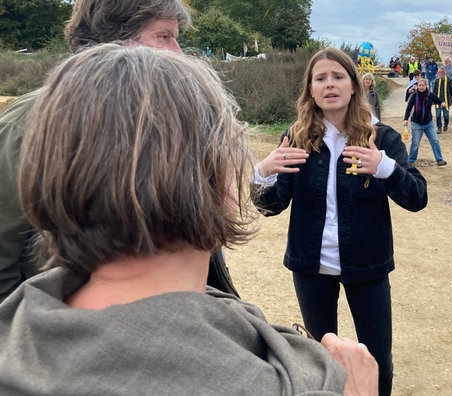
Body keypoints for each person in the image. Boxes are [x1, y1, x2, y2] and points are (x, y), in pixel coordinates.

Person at [0, 43, 378, 395]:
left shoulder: (21, 326)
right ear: (212, 180)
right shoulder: (288, 383)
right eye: (233, 148)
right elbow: (272, 204)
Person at [0, 0, 239, 302]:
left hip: (167, 318)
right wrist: (19, 334)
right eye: (164, 37)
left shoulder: (164, 114)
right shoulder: (32, 119)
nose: (178, 52)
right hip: (67, 329)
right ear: (116, 38)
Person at [252, 47, 428, 396]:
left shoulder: (383, 138)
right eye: (320, 78)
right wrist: (263, 174)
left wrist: (383, 167)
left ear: (353, 87)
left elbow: (417, 198)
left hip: (368, 266)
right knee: (320, 355)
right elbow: (272, 206)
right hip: (310, 267)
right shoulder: (297, 137)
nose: (329, 84)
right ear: (311, 90)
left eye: (338, 76)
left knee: (378, 359)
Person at [403, 77, 448, 166]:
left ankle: (439, 160)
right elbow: (408, 108)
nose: (421, 87)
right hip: (416, 124)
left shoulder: (430, 95)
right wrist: (405, 119)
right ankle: (410, 161)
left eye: (423, 85)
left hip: (428, 123)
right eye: (419, 85)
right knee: (415, 143)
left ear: (426, 86)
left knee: (435, 141)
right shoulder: (414, 96)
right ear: (417, 86)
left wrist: (442, 103)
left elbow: (439, 101)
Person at [433, 67, 452, 133]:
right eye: (438, 72)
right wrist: (432, 100)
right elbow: (434, 91)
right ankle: (439, 128)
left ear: (444, 73)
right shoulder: (437, 81)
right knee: (438, 115)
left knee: (446, 115)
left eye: (440, 72)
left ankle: (446, 125)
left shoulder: (449, 80)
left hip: (446, 101)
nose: (439, 74)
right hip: (438, 101)